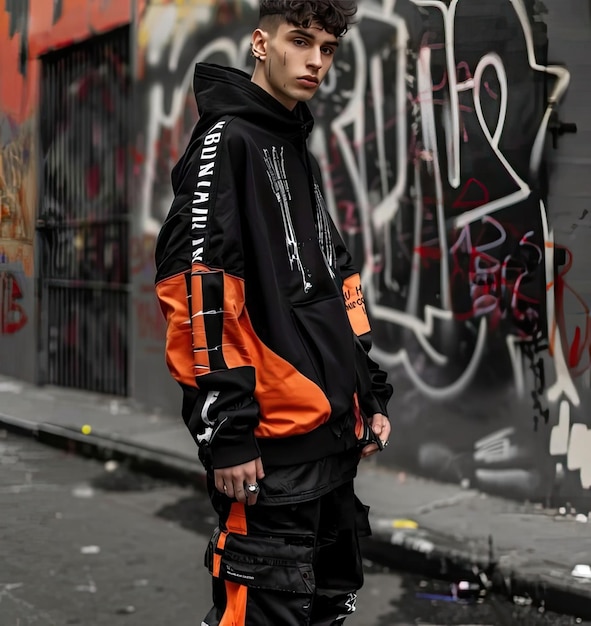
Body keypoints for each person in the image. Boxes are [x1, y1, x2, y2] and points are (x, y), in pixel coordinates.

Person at [155, 1, 393, 624]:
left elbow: (336, 281)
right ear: (262, 43)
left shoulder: (293, 145)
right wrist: (227, 432)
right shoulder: (226, 139)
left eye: (329, 49)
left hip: (328, 439)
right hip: (269, 452)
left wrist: (366, 391)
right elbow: (196, 292)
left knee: (326, 608)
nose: (315, 61)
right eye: (300, 42)